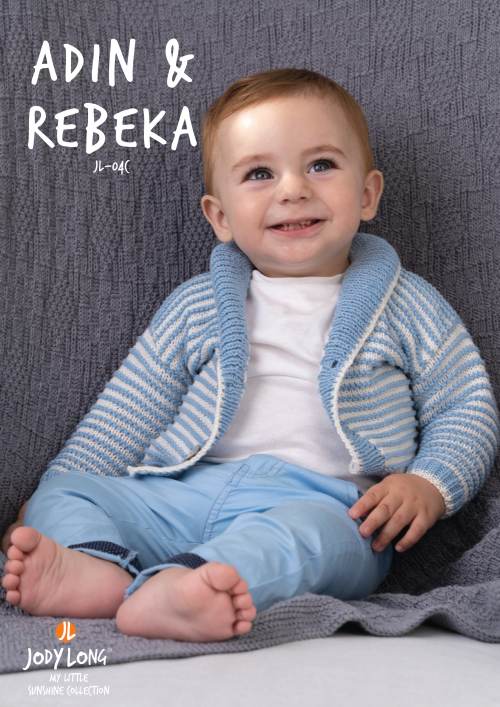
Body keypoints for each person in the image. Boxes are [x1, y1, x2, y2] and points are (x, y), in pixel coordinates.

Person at [2, 68, 499, 643]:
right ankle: (97, 569)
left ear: (367, 195)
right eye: (260, 174)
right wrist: (54, 489)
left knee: (317, 543)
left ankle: (190, 588)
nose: (293, 190)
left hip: (325, 502)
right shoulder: (196, 305)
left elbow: (465, 405)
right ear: (220, 217)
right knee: (64, 494)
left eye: (321, 165)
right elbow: (125, 415)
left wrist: (430, 484)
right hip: (181, 493)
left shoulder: (406, 303)